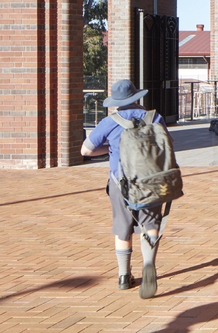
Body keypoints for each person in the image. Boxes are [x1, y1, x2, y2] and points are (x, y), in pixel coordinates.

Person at [80, 79, 170, 299]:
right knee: (150, 223)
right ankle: (148, 264)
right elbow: (166, 144)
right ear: (137, 97)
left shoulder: (110, 122)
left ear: (116, 101)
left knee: (123, 225)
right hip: (151, 180)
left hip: (120, 181)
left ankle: (123, 275)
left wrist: (111, 149)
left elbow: (85, 150)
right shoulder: (154, 117)